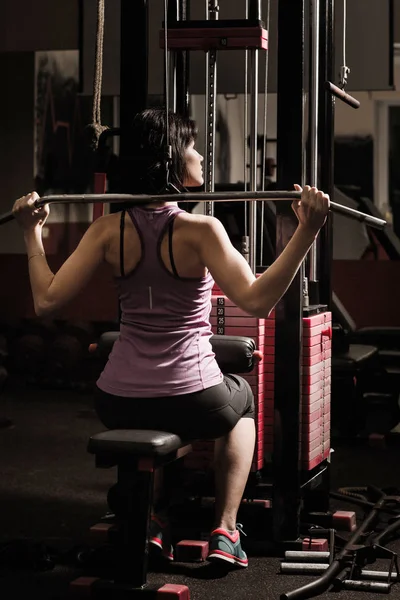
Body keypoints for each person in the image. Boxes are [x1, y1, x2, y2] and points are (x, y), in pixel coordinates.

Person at [12, 108, 329, 569]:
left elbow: (46, 301)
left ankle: (154, 522)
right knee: (240, 406)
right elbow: (258, 301)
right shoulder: (201, 231)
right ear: (171, 161)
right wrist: (307, 232)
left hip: (116, 398)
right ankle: (225, 528)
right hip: (192, 396)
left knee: (165, 412)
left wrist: (30, 233)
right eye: (192, 146)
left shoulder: (106, 230)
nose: (200, 155)